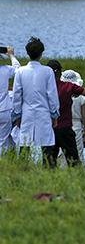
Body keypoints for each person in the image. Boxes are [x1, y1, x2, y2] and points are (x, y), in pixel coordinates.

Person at [12, 37, 60, 166]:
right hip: (43, 113)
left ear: (28, 53)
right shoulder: (48, 71)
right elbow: (52, 95)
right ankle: (48, 173)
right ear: (41, 53)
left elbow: (17, 95)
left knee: (24, 145)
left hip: (26, 113)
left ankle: (22, 172)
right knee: (47, 146)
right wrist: (54, 114)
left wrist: (17, 115)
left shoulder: (20, 71)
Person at [45, 60, 85, 168]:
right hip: (66, 129)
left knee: (49, 161)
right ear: (60, 72)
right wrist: (74, 92)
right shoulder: (68, 86)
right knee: (74, 160)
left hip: (49, 129)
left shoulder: (44, 88)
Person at [61, 70, 85, 163]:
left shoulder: (60, 92)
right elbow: (84, 116)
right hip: (76, 125)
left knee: (62, 153)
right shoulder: (81, 96)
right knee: (78, 153)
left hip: (63, 124)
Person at [0, 46, 20, 153]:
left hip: (5, 110)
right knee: (3, 141)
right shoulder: (5, 69)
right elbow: (18, 69)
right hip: (4, 110)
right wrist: (11, 55)